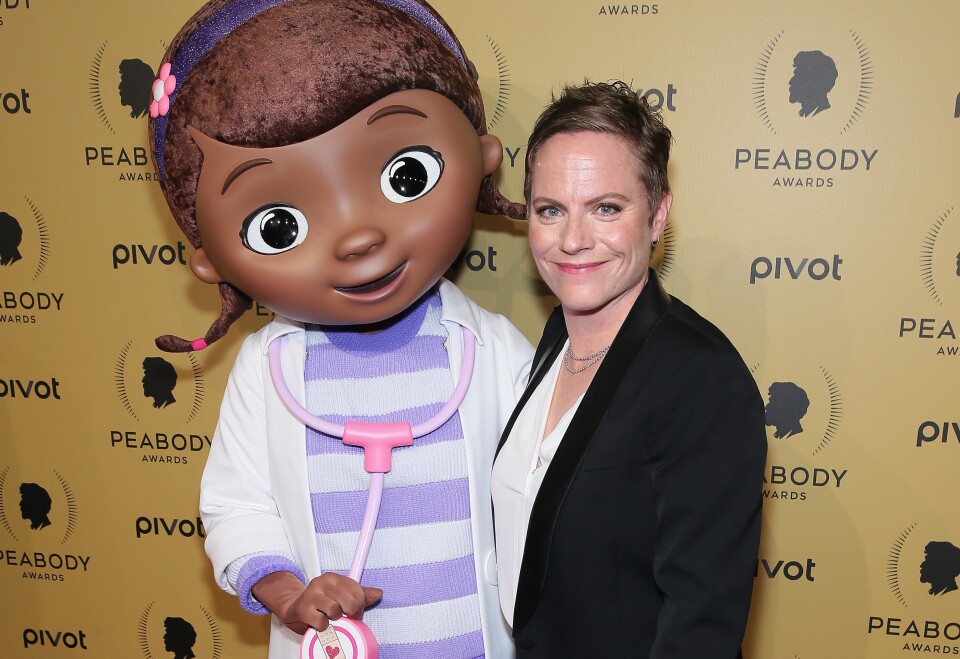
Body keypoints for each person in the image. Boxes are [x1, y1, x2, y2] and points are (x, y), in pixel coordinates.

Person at [147, 1, 532, 657]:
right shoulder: (266, 372)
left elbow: (552, 491)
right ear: (209, 259)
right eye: (279, 226)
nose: (357, 237)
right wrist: (285, 591)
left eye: (406, 176)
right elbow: (236, 507)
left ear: (482, 158)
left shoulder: (494, 351)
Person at [491, 81, 767, 658]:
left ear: (658, 214)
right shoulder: (557, 337)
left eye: (606, 209)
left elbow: (700, 629)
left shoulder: (701, 378)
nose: (572, 240)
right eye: (550, 210)